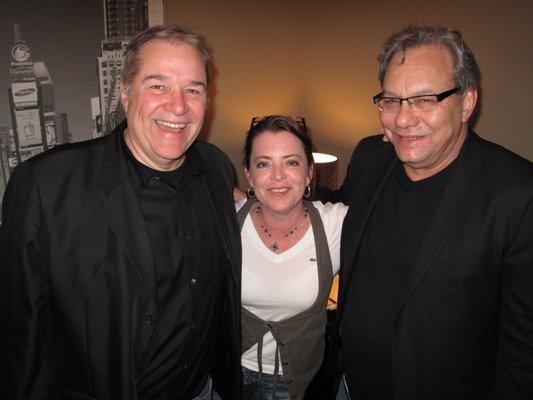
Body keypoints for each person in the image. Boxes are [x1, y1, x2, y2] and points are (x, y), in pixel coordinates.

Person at [0, 25, 241, 400]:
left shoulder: (216, 169)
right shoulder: (46, 186)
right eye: (158, 85)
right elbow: (18, 340)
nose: (178, 106)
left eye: (193, 89)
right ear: (125, 93)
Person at [316, 25, 533, 399]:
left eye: (425, 99)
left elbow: (523, 349)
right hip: (347, 386)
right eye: (391, 100)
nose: (402, 119)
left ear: (467, 103)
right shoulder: (370, 157)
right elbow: (335, 207)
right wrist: (265, 196)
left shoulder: (517, 193)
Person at [237, 115, 348, 400]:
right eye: (263, 163)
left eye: (291, 162)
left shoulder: (335, 224)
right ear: (248, 174)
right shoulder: (226, 221)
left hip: (296, 385)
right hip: (225, 377)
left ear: (309, 172)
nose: (277, 176)